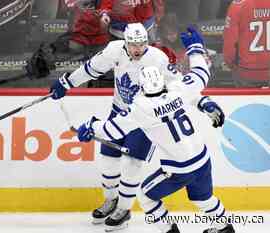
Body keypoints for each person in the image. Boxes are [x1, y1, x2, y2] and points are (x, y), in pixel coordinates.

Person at [49, 23, 223, 231]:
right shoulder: (115, 51)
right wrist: (67, 82)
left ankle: (124, 209)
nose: (138, 48)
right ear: (125, 42)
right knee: (108, 163)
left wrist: (90, 127)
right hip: (125, 113)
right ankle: (111, 201)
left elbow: (114, 127)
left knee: (132, 166)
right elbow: (190, 82)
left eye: (142, 44)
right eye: (133, 44)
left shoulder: (157, 61)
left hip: (144, 123)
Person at [223, 0, 270, 87]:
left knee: (246, 100)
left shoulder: (237, 5)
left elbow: (229, 42)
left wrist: (231, 65)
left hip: (246, 71)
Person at [98, 0, 164, 42]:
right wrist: (104, 14)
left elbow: (158, 4)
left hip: (146, 28)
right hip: (120, 31)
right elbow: (105, 5)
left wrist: (158, 18)